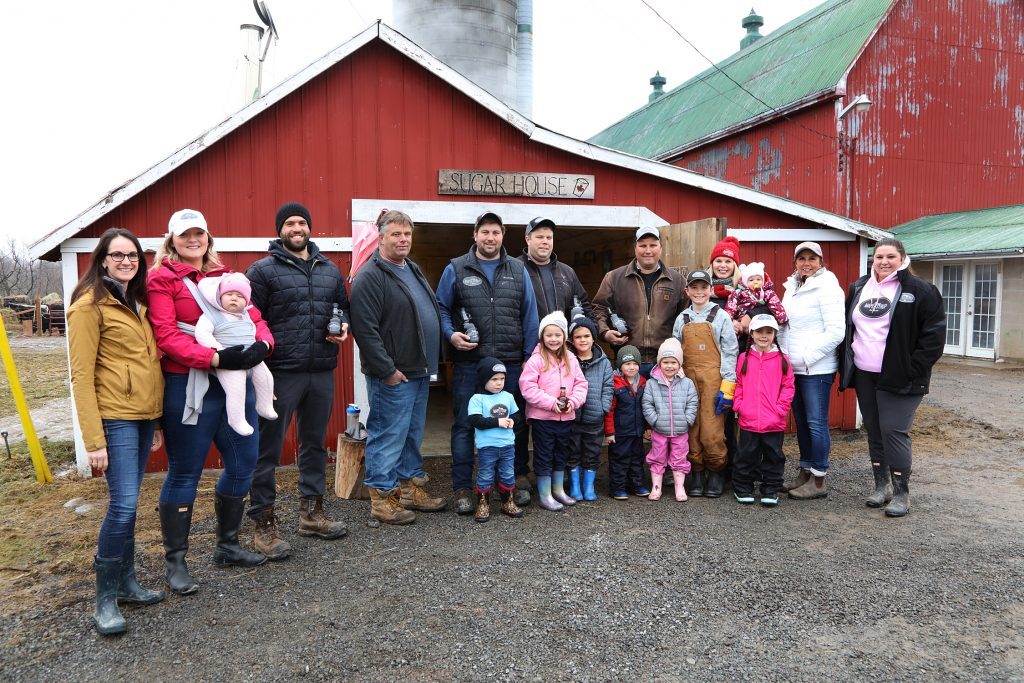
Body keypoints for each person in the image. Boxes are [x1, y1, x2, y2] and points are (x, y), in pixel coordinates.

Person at [148, 209, 271, 596]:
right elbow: (166, 335)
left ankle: (228, 545)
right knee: (185, 470)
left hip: (235, 384)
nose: (193, 240)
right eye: (185, 234)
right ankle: (176, 562)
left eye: (199, 233)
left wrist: (264, 345)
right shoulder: (161, 278)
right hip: (191, 383)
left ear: (208, 237)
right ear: (172, 239)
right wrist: (216, 358)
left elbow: (254, 316)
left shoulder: (225, 276)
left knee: (243, 461)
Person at [68, 228, 165, 635]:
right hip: (115, 418)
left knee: (129, 504)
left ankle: (126, 584)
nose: (127, 261)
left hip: (143, 417)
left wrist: (156, 420)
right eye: (118, 255)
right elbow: (81, 375)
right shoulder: (89, 306)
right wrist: (93, 441)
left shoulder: (136, 302)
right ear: (103, 259)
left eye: (133, 256)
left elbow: (147, 365)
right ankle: (104, 598)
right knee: (123, 507)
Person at [245, 202, 350, 556]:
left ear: (310, 228)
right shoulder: (261, 271)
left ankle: (312, 513)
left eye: (302, 222)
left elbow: (341, 307)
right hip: (279, 373)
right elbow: (249, 319)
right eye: (289, 223)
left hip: (321, 369)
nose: (296, 228)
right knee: (268, 449)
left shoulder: (329, 270)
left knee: (314, 444)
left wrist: (343, 328)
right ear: (280, 230)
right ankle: (264, 523)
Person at [436, 211, 539, 514]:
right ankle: (463, 488)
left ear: (503, 234)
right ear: (475, 234)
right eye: (485, 232)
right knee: (466, 424)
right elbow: (441, 308)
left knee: (515, 422)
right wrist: (450, 334)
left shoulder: (518, 270)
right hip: (470, 363)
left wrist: (529, 357)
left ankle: (516, 479)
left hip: (510, 362)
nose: (490, 238)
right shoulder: (456, 268)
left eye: (495, 232)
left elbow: (530, 316)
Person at [349, 209, 447, 526]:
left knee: (410, 435)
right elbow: (365, 331)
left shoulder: (412, 268)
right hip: (394, 375)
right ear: (381, 237)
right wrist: (387, 370)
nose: (403, 239)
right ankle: (382, 500)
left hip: (418, 370)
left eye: (407, 234)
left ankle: (407, 489)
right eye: (396, 234)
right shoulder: (370, 275)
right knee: (388, 435)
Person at [839, 237, 945, 517]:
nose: (884, 262)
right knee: (874, 430)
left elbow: (933, 338)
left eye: (890, 257)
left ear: (902, 258)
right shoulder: (860, 287)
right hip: (865, 373)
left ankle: (901, 493)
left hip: (901, 377)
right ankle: (881, 486)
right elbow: (850, 328)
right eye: (879, 257)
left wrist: (911, 370)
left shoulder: (920, 290)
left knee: (893, 432)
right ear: (872, 260)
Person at [517, 215, 593, 500]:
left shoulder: (566, 272)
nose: (544, 241)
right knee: (526, 424)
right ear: (527, 239)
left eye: (548, 237)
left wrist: (581, 334)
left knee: (561, 443)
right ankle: (521, 474)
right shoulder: (515, 268)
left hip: (561, 354)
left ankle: (555, 488)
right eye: (539, 236)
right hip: (527, 353)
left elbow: (582, 304)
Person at [778, 242, 846, 500]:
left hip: (815, 369)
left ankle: (818, 480)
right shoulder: (793, 287)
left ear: (821, 261)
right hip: (793, 367)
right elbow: (785, 325)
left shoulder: (828, 287)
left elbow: (836, 332)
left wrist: (807, 358)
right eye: (801, 258)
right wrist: (785, 358)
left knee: (816, 423)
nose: (806, 263)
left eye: (812, 258)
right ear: (795, 262)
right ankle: (805, 471)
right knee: (802, 423)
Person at [672, 269, 739, 498]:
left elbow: (730, 351)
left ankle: (716, 471)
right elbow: (675, 353)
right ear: (687, 291)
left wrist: (728, 385)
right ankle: (697, 473)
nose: (699, 292)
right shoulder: (682, 318)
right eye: (694, 287)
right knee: (691, 429)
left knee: (712, 431)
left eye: (704, 287)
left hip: (714, 380)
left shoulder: (721, 316)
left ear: (711, 290)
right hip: (688, 381)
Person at [593, 226, 686, 376]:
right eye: (642, 245)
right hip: (627, 360)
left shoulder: (677, 280)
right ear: (635, 248)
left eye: (653, 245)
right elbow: (599, 308)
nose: (648, 250)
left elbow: (686, 317)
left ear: (660, 248)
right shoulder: (614, 277)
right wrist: (604, 332)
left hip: (665, 362)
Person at [519, 312, 588, 511]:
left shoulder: (571, 359)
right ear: (542, 337)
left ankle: (558, 489)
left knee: (561, 453)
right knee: (544, 454)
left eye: (558, 335)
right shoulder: (536, 360)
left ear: (564, 337)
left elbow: (581, 384)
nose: (553, 339)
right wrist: (550, 403)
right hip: (543, 418)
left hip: (566, 417)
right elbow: (528, 387)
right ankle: (545, 494)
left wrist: (573, 402)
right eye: (549, 335)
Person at [193, 273, 278, 436]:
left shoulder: (246, 315)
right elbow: (202, 334)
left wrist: (261, 346)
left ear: (247, 301)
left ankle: (265, 405)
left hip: (251, 356)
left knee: (266, 378)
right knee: (236, 388)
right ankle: (236, 419)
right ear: (219, 297)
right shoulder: (211, 315)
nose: (234, 299)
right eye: (229, 294)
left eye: (239, 296)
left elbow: (254, 331)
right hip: (228, 360)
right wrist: (219, 351)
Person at [732, 314, 795, 507]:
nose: (764, 336)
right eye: (759, 331)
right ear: (752, 333)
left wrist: (780, 409)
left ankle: (770, 488)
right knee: (746, 456)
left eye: (769, 332)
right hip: (748, 419)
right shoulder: (744, 358)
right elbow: (739, 384)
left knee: (773, 457)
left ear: (775, 334)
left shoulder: (782, 359)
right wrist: (740, 405)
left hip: (773, 421)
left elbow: (788, 386)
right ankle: (743, 487)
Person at [466, 357, 525, 522]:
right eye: (494, 379)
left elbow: (517, 414)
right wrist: (497, 421)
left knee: (508, 474)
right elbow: (475, 420)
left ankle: (507, 502)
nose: (499, 383)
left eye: (502, 378)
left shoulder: (507, 396)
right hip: (488, 447)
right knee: (485, 475)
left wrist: (513, 420)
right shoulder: (477, 399)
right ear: (484, 379)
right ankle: (483, 504)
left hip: (507, 445)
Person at [641, 337, 699, 502]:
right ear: (659, 364)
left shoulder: (687, 383)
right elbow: (647, 403)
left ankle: (679, 487)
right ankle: (656, 487)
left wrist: (688, 419)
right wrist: (654, 421)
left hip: (681, 430)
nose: (669, 366)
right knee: (657, 456)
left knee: (679, 457)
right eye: (665, 362)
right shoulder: (653, 383)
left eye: (673, 362)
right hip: (659, 430)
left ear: (679, 364)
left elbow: (692, 402)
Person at [566, 317, 613, 501]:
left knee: (592, 452)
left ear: (593, 338)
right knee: (573, 451)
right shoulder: (568, 360)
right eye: (578, 337)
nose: (583, 340)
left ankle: (589, 486)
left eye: (587, 336)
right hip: (573, 417)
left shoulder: (603, 362)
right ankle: (575, 487)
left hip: (595, 417)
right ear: (572, 340)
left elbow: (608, 386)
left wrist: (603, 407)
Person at [604, 346, 650, 500]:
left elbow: (647, 407)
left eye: (635, 364)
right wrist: (609, 432)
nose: (632, 367)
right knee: (619, 460)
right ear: (619, 365)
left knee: (637, 458)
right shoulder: (615, 383)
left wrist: (647, 427)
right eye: (627, 364)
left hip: (637, 431)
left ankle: (637, 485)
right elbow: (609, 410)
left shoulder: (643, 383)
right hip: (620, 432)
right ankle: (617, 488)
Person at [725, 262, 788, 329]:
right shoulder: (738, 293)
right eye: (751, 280)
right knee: (735, 330)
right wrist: (728, 320)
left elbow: (775, 304)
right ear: (745, 282)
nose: (755, 282)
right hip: (742, 322)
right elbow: (731, 306)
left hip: (761, 323)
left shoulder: (767, 293)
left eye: (758, 279)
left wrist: (781, 317)